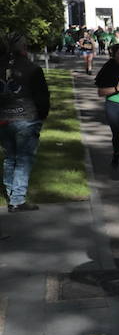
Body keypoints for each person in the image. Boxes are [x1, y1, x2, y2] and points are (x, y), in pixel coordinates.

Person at [0, 34, 50, 212]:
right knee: (23, 159)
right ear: (24, 48)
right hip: (26, 118)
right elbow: (42, 97)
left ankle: (10, 191)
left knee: (10, 157)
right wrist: (42, 115)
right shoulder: (33, 69)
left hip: (4, 119)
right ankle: (17, 199)